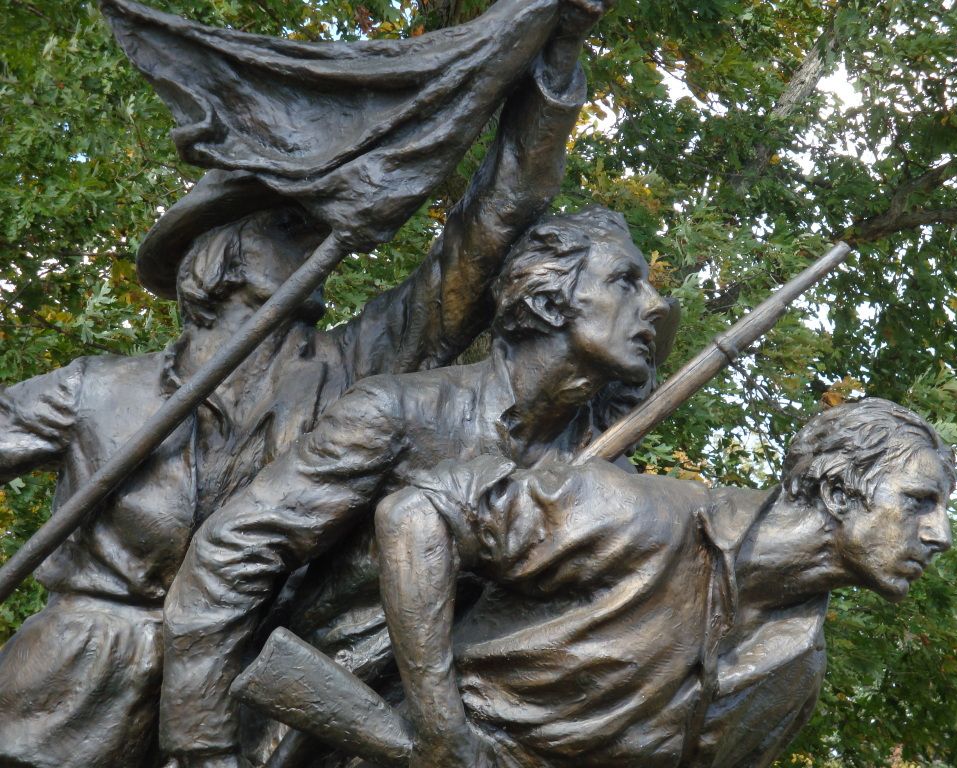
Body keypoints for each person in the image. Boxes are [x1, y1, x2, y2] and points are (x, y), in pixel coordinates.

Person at [0, 3, 597, 761]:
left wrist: (556, 60)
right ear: (222, 260)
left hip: (239, 697)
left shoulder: (354, 371)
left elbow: (482, 240)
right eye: (290, 228)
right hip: (65, 695)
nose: (320, 239)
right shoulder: (94, 390)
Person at [159, 205, 672, 767]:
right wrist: (200, 745)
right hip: (310, 740)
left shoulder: (608, 480)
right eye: (625, 282)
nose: (653, 304)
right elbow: (230, 555)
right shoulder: (400, 412)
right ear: (548, 301)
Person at [368, 398, 954, 768]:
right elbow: (418, 515)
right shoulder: (634, 514)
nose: (940, 534)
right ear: (837, 491)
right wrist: (440, 723)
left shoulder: (797, 671)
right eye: (919, 502)